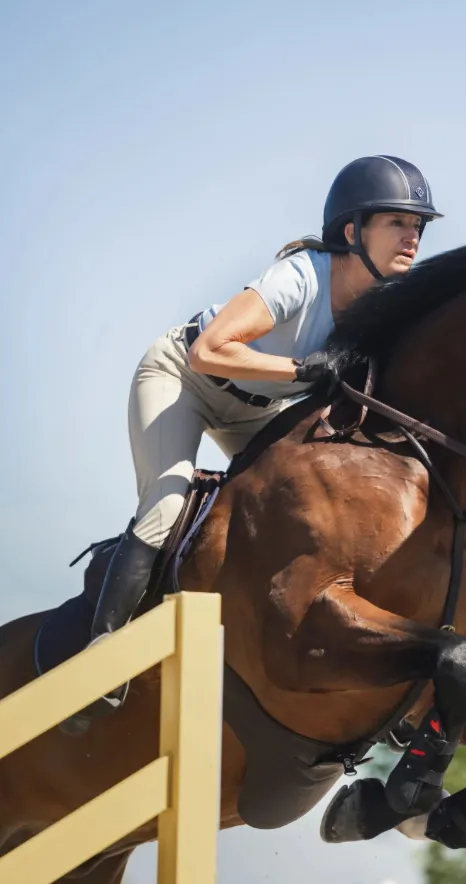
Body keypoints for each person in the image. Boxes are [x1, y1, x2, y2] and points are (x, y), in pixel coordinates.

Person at [69, 155, 443, 726]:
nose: (412, 236)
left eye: (417, 225)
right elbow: (209, 351)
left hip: (257, 407)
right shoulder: (302, 276)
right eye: (397, 222)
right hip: (182, 378)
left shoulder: (381, 308)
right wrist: (299, 371)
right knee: (166, 507)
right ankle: (102, 660)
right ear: (351, 231)